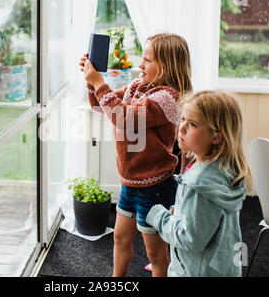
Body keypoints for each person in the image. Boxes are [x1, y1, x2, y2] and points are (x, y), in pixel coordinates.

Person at [79, 33, 193, 277]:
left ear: (167, 66)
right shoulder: (137, 87)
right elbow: (101, 106)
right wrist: (92, 83)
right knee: (120, 239)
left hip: (155, 188)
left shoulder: (166, 98)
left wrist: (100, 83)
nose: (140, 65)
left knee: (156, 255)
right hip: (130, 184)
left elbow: (123, 117)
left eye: (147, 60)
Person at [146, 90, 253, 277]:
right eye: (183, 119)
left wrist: (159, 217)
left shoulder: (199, 184)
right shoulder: (225, 168)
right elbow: (206, 219)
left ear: (217, 136)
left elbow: (190, 239)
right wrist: (179, 210)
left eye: (193, 124)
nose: (182, 127)